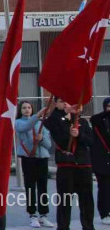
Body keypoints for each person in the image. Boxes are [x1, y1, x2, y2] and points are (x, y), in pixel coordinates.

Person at [44, 98, 95, 230]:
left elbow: (91, 141)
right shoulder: (55, 120)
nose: (66, 104)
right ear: (56, 104)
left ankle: (88, 226)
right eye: (62, 101)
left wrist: (79, 135)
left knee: (86, 200)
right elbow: (57, 135)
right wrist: (62, 112)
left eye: (68, 101)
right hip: (66, 165)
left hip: (83, 165)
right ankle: (63, 227)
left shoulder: (82, 122)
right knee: (64, 200)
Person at [15, 101, 54, 228]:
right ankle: (32, 215)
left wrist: (41, 139)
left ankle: (43, 215)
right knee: (30, 186)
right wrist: (37, 115)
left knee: (43, 186)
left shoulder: (41, 124)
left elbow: (48, 145)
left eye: (29, 107)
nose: (27, 110)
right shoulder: (19, 122)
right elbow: (25, 127)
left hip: (42, 158)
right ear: (20, 111)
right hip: (28, 158)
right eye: (24, 108)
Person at [92, 98, 110, 225]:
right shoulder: (99, 120)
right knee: (104, 187)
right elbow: (94, 119)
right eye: (108, 106)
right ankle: (104, 213)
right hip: (102, 160)